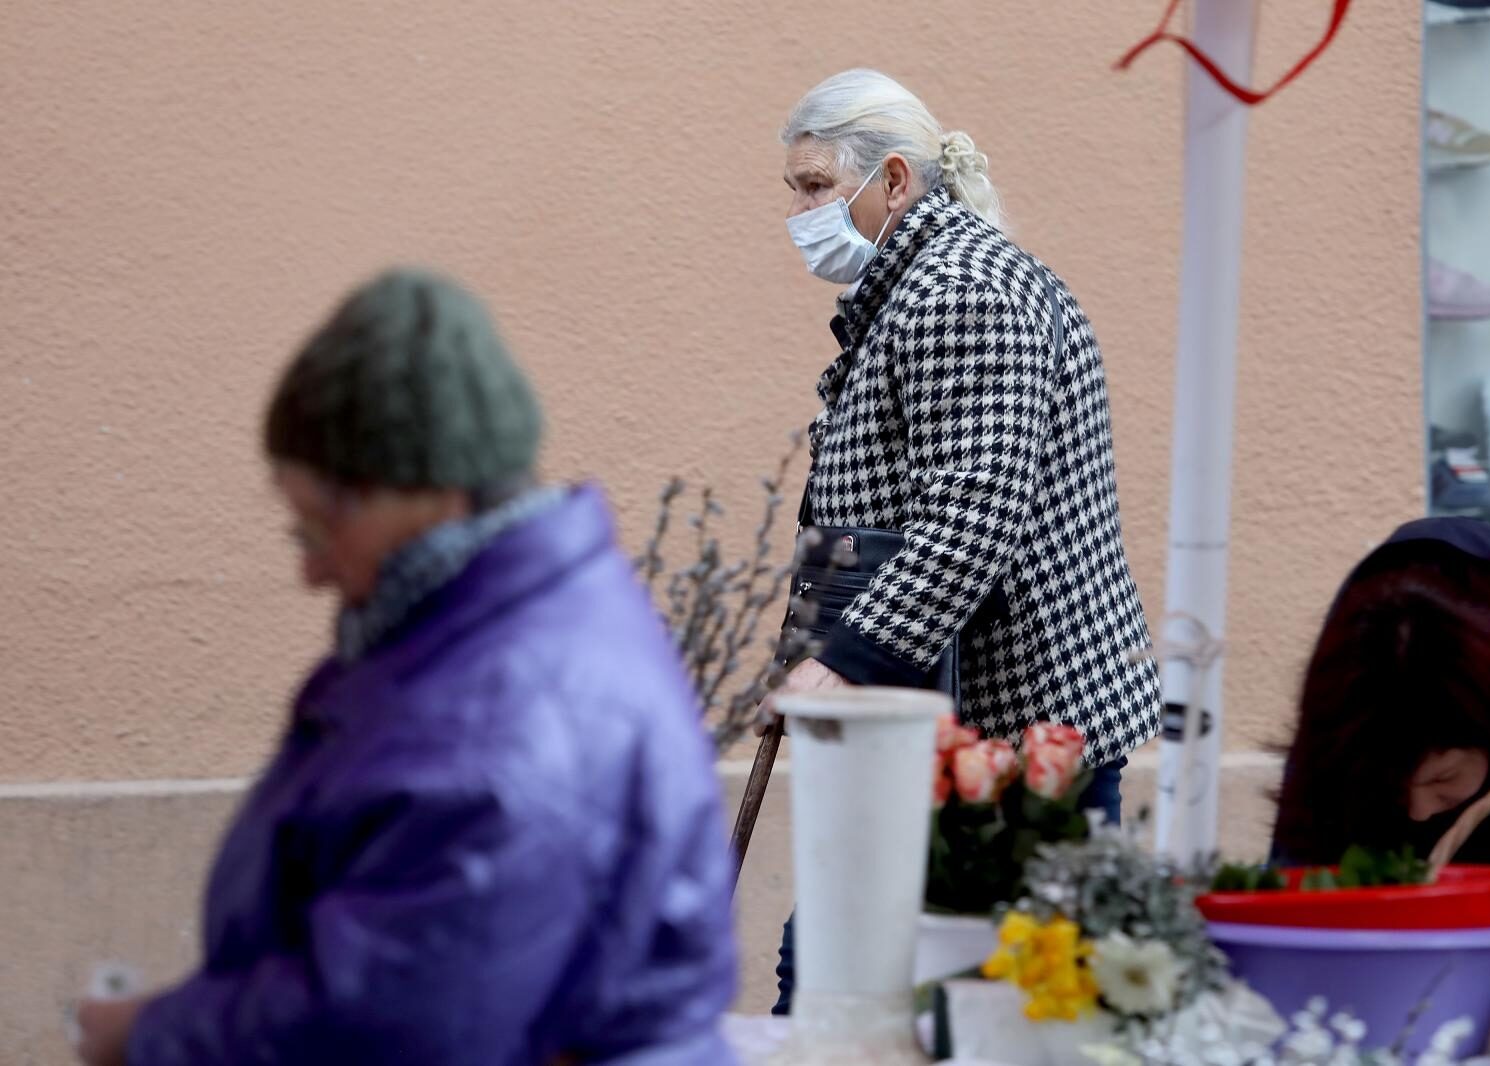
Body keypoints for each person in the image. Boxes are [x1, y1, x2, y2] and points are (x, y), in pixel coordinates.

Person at [73, 270, 738, 1066]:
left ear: (427, 497)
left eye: (315, 529)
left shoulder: (504, 715)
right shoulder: (498, 630)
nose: (310, 572)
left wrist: (150, 1037)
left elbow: (392, 1029)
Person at [769, 69, 1161, 1013]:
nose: (801, 213)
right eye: (796, 189)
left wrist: (842, 663)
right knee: (875, 985)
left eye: (817, 186)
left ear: (895, 179)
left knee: (899, 993)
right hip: (957, 719)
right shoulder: (923, 286)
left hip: (1012, 732)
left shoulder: (963, 291)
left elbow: (971, 518)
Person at [1274, 517, 1490, 978]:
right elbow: (1311, 847)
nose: (1420, 810)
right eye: (1395, 786)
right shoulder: (1362, 655)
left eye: (1441, 780)